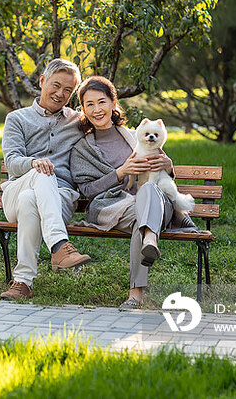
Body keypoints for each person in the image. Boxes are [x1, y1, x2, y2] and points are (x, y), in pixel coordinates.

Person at [69, 76, 195, 310]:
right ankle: (140, 275)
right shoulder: (82, 149)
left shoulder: (135, 135)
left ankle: (147, 244)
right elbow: (86, 190)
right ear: (83, 110)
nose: (97, 109)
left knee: (147, 191)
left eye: (102, 102)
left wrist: (168, 165)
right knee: (142, 218)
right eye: (90, 104)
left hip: (157, 202)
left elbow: (163, 170)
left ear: (113, 103)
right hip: (114, 206)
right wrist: (120, 172)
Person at [0, 58, 92, 300]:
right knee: (38, 178)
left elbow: (113, 125)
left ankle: (23, 282)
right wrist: (33, 162)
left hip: (59, 198)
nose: (61, 94)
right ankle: (59, 246)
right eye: (56, 85)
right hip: (16, 193)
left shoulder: (78, 122)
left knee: (33, 199)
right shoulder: (17, 119)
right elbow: (12, 163)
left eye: (68, 90)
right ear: (42, 81)